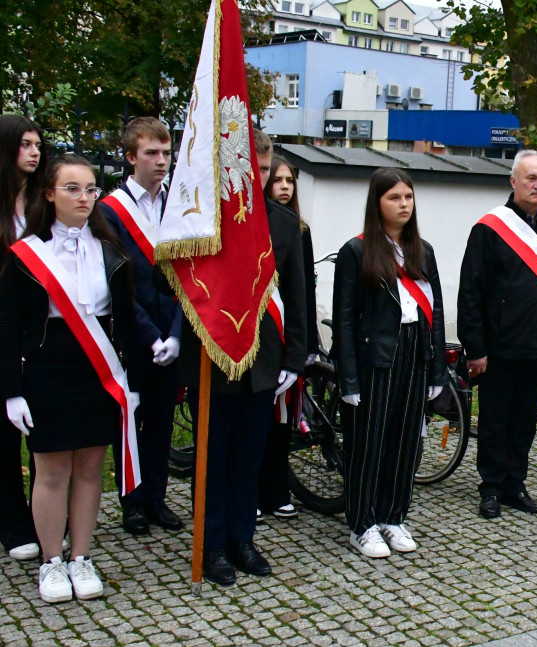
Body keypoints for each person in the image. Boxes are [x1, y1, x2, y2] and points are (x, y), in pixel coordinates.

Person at [0, 155, 142, 603]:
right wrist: (11, 391)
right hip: (46, 370)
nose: (84, 197)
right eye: (72, 188)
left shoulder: (111, 252)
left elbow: (126, 324)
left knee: (88, 469)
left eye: (90, 189)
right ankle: (50, 561)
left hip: (97, 373)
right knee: (51, 470)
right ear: (48, 194)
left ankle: (80, 556)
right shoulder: (25, 256)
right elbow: (5, 326)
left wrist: (132, 384)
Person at [175, 129, 307, 585]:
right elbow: (164, 280)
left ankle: (241, 537)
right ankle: (210, 543)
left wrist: (295, 356)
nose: (262, 177)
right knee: (213, 457)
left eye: (267, 171)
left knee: (250, 455)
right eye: (254, 169)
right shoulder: (202, 219)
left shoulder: (284, 224)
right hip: (212, 357)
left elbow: (297, 294)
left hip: (263, 360)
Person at [458, 149, 537, 519]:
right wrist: (475, 348)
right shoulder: (490, 228)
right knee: (495, 421)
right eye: (531, 178)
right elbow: (471, 291)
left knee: (524, 421)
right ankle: (490, 487)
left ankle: (515, 484)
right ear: (514, 181)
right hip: (498, 347)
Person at [334, 168, 445, 557]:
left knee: (404, 442)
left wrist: (436, 367)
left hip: (415, 351)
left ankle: (393, 517)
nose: (403, 205)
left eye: (408, 198)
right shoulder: (356, 251)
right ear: (377, 203)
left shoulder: (423, 250)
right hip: (375, 356)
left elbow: (436, 312)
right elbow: (344, 319)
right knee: (369, 442)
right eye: (394, 198)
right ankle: (361, 523)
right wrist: (348, 379)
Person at [99, 117, 183, 536]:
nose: (161, 161)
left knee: (162, 420)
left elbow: (190, 277)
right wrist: (151, 337)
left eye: (167, 153)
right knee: (130, 421)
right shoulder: (109, 211)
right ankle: (131, 502)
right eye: (151, 153)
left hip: (175, 331)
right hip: (134, 336)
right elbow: (119, 283)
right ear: (131, 156)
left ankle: (156, 498)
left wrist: (177, 334)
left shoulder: (178, 205)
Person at [256, 155, 319, 521]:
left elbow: (302, 290)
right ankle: (253, 490)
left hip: (287, 336)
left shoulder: (299, 228)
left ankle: (276, 490)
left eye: (289, 180)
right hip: (260, 336)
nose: (283, 186)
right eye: (275, 178)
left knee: (281, 422)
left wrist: (305, 342)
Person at [0, 114, 45, 562]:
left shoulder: (38, 205)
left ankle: (41, 515)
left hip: (35, 332)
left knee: (40, 429)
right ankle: (12, 522)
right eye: (25, 145)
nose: (33, 152)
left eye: (37, 145)